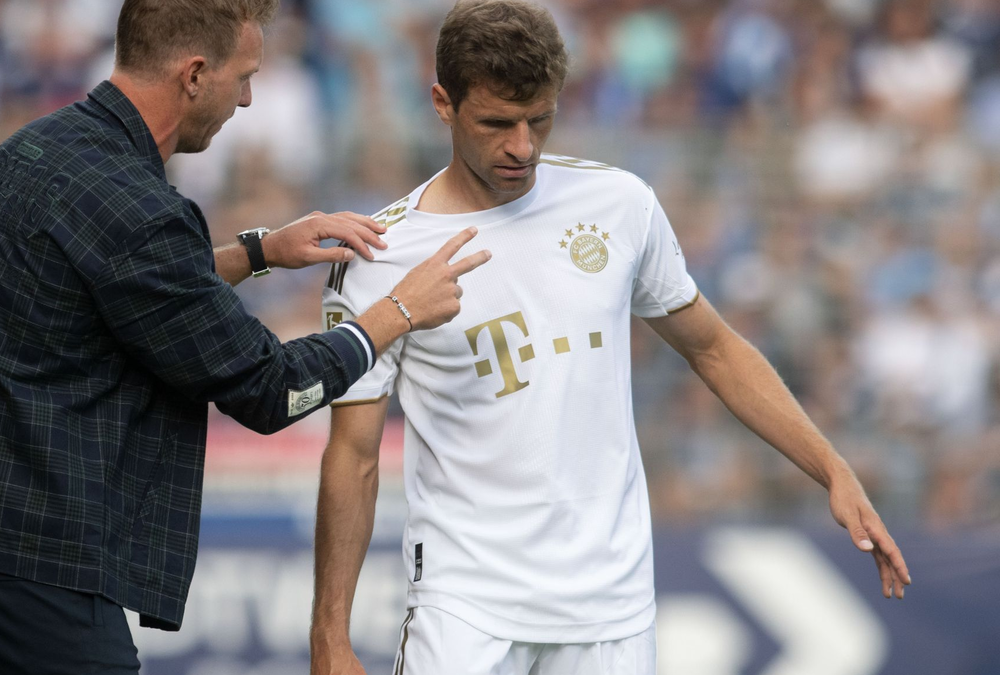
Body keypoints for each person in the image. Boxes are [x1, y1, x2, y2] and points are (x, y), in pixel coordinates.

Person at [310, 2, 912, 674]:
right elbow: (354, 455)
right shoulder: (380, 253)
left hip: (611, 608)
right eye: (497, 123)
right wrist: (329, 637)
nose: (523, 147)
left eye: (539, 118)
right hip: (465, 605)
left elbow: (713, 347)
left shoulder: (619, 205)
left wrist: (832, 467)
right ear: (442, 104)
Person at [0, 0, 490, 672]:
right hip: (35, 563)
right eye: (244, 77)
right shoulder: (139, 210)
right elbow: (271, 390)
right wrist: (394, 313)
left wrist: (258, 250)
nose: (249, 98)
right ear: (195, 74)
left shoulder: (29, 151)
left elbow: (108, 283)